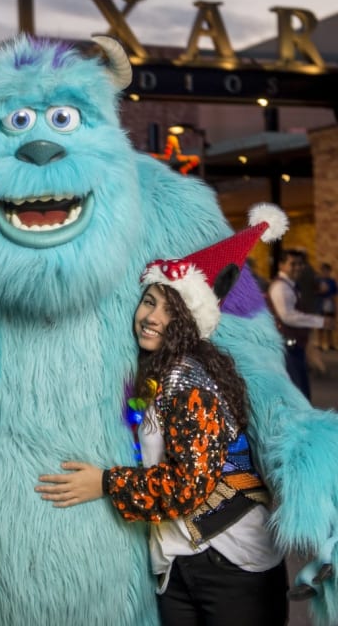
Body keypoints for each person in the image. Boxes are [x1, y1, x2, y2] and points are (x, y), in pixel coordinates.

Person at [36, 206, 290, 626]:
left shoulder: (193, 382)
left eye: (171, 310)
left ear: (192, 321)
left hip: (231, 564)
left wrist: (104, 482)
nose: (153, 317)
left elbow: (188, 485)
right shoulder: (155, 375)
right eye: (150, 302)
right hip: (176, 565)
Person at [267, 249, 334, 400]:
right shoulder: (281, 287)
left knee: (299, 393)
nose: (298, 267)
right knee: (298, 395)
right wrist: (321, 321)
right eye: (293, 264)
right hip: (287, 348)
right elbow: (288, 316)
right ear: (281, 265)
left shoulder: (290, 285)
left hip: (294, 346)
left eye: (300, 264)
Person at [317, 263, 337, 351]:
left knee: (330, 325)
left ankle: (330, 344)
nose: (325, 273)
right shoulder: (318, 281)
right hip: (321, 305)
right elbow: (315, 292)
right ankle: (320, 343)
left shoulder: (332, 281)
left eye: (327, 271)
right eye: (324, 271)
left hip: (330, 305)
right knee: (321, 325)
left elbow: (335, 293)